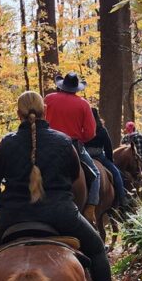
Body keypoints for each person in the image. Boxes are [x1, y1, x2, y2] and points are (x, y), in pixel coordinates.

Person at [0, 91, 129, 281]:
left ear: (18, 113)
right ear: (45, 111)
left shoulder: (6, 143)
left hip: (13, 215)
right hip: (61, 213)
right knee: (96, 248)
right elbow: (77, 179)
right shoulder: (63, 142)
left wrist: (1, 206)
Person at [43, 72, 101, 224]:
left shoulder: (48, 99)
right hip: (72, 146)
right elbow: (90, 132)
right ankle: (90, 209)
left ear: (61, 86)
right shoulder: (83, 104)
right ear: (76, 89)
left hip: (46, 144)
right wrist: (80, 139)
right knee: (95, 174)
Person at [85, 108, 129, 209]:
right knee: (116, 174)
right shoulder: (102, 129)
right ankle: (122, 198)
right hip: (99, 156)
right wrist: (110, 160)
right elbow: (108, 146)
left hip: (85, 155)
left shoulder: (84, 127)